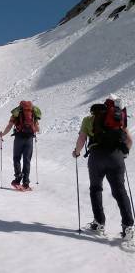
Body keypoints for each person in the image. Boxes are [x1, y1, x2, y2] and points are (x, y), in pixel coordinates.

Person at [72, 97, 134, 240]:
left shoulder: (89, 119)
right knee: (120, 191)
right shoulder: (119, 120)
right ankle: (128, 227)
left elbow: (82, 139)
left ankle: (99, 223)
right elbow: (129, 141)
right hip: (116, 157)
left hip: (96, 157)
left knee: (96, 189)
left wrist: (76, 152)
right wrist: (123, 155)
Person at [0, 101, 41, 190]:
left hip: (19, 138)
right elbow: (37, 129)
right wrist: (32, 128)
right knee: (27, 160)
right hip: (29, 139)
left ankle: (18, 179)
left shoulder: (16, 113)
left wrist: (3, 134)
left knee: (17, 158)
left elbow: (9, 126)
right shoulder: (33, 113)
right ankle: (26, 183)